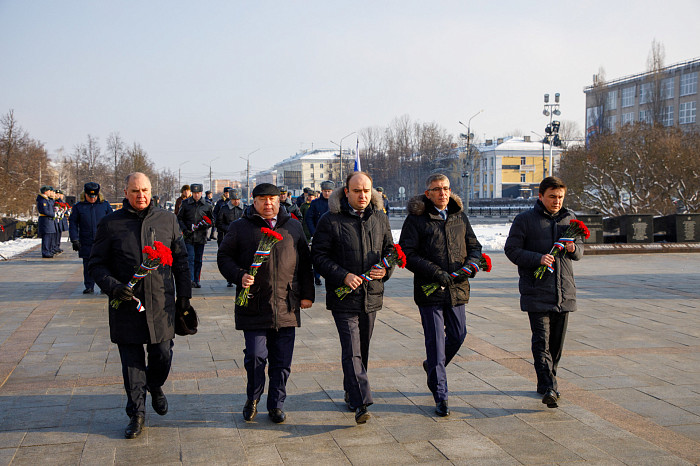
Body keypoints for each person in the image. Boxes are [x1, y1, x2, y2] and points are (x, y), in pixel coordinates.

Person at [89, 172, 192, 439]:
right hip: (126, 305)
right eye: (135, 191)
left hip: (161, 303)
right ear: (126, 192)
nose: (141, 195)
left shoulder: (167, 219)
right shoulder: (110, 223)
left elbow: (181, 261)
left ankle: (155, 384)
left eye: (145, 190)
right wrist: (113, 286)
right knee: (132, 363)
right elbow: (96, 265)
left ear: (151, 190)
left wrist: (184, 297)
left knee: (163, 354)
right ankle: (137, 413)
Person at [217, 183, 314, 424]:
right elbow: (223, 257)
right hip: (254, 303)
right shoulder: (240, 227)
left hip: (286, 304)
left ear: (280, 200)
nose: (268, 203)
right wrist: (238, 275)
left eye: (272, 198)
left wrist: (307, 294)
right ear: (255, 201)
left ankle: (276, 404)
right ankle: (253, 398)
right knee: (255, 356)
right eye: (262, 199)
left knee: (282, 362)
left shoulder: (293, 226)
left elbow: (304, 262)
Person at [311, 172, 394, 424]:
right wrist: (343, 275)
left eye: (367, 191)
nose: (362, 196)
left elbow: (390, 250)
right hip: (344, 297)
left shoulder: (380, 218)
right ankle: (361, 402)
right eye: (357, 191)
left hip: (371, 296)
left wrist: (385, 269)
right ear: (346, 192)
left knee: (362, 349)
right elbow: (319, 256)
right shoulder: (330, 219)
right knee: (351, 348)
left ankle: (351, 389)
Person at [399, 174, 482, 417]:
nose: (442, 193)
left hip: (457, 287)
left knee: (458, 334)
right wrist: (434, 272)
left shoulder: (459, 216)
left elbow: (474, 247)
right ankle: (440, 394)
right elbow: (407, 253)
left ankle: (433, 368)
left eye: (445, 189)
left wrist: (472, 264)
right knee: (435, 342)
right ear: (428, 193)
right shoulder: (416, 220)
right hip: (430, 289)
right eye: (436, 189)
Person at [504, 176, 583, 409]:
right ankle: (550, 386)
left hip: (564, 291)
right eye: (552, 197)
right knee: (541, 341)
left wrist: (573, 248)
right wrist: (537, 259)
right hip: (536, 290)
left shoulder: (570, 220)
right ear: (540, 196)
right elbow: (511, 250)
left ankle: (546, 380)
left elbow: (579, 253)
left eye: (560, 197)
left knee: (556, 344)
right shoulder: (525, 220)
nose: (556, 201)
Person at [69, 182, 113, 294]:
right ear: (85, 194)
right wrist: (74, 239)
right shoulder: (79, 207)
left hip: (103, 241)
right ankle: (89, 285)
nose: (92, 199)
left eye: (95, 196)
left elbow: (112, 222)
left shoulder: (105, 205)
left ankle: (105, 286)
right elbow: (73, 224)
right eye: (90, 196)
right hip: (86, 240)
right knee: (88, 264)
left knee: (105, 264)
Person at [177, 183, 214, 288]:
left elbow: (212, 220)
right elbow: (179, 218)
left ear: (201, 193)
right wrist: (184, 229)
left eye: (198, 193)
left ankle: (197, 279)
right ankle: (191, 279)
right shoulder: (185, 204)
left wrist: (206, 225)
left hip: (201, 237)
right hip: (189, 236)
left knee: (198, 259)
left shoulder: (207, 205)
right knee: (190, 258)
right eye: (194, 193)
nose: (196, 195)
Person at [305, 180, 335, 285]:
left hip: (333, 236)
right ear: (321, 191)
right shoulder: (315, 203)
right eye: (325, 191)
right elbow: (309, 218)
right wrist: (314, 232)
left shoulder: (336, 203)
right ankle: (317, 276)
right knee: (318, 257)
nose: (327, 193)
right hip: (319, 235)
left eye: (329, 191)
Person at [216, 189, 245, 287]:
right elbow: (219, 223)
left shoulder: (245, 209)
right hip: (228, 237)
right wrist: (229, 229)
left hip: (242, 238)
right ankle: (230, 278)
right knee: (230, 258)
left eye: (238, 199)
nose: (236, 201)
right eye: (234, 199)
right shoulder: (224, 209)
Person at [36, 185, 58, 258]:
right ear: (45, 192)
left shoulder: (46, 199)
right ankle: (45, 251)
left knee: (49, 236)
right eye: (49, 191)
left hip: (49, 220)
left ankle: (48, 250)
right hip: (45, 220)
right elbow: (45, 211)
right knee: (46, 237)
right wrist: (53, 214)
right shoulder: (42, 200)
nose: (50, 193)